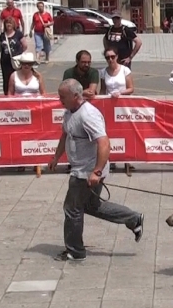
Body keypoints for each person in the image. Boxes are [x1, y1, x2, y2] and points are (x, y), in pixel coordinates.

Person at [48, 79, 144, 261]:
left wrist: (97, 171)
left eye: (63, 96)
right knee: (92, 206)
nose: (59, 99)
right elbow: (65, 135)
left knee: (72, 209)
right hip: (82, 169)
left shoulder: (88, 115)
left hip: (86, 171)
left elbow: (104, 142)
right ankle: (133, 219)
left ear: (76, 96)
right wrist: (56, 157)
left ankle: (75, 251)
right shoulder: (69, 112)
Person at [0, 16, 27, 95]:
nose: (8, 25)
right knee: (6, 78)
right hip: (5, 61)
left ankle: (17, 92)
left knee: (17, 77)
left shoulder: (18, 34)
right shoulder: (2, 36)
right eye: (7, 23)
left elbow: (25, 45)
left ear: (13, 24)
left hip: (16, 60)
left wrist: (19, 54)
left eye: (10, 23)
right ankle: (7, 94)